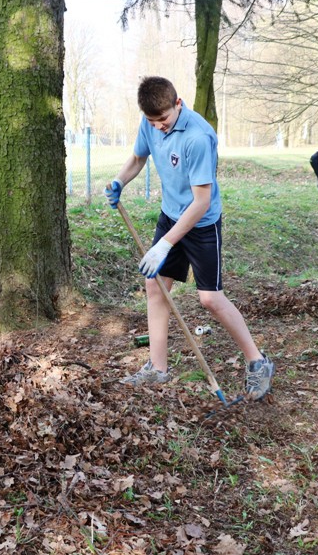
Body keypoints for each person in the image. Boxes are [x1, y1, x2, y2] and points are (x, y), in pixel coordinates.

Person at [104, 76, 274, 401]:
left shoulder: (197, 137)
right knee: (155, 286)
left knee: (210, 299)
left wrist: (165, 244)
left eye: (163, 120)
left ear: (177, 104)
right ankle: (157, 368)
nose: (158, 128)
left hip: (201, 223)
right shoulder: (150, 122)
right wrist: (118, 180)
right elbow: (138, 158)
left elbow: (201, 202)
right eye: (152, 122)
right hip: (171, 214)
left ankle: (258, 362)